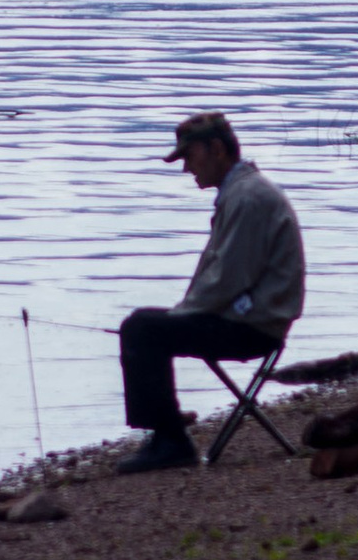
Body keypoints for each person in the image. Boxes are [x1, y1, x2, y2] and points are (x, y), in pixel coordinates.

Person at [114, 111, 305, 475]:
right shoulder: (242, 192)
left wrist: (176, 316)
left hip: (253, 327)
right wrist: (180, 314)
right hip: (251, 319)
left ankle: (171, 440)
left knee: (142, 328)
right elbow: (223, 280)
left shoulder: (248, 197)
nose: (187, 169)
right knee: (146, 326)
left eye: (189, 157)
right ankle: (164, 431)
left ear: (216, 149)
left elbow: (228, 279)